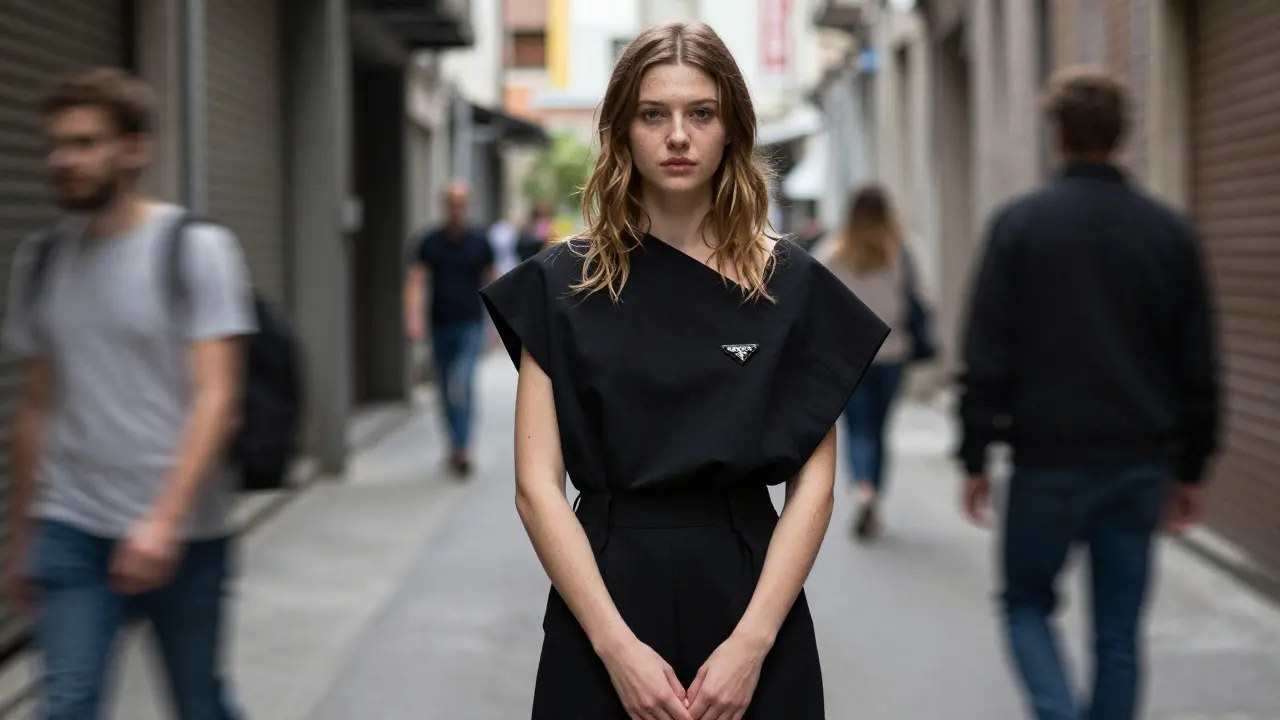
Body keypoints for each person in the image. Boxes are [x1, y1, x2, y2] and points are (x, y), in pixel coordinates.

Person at [480, 21, 888, 720]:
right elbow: (536, 487)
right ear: (621, 131)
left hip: (751, 594)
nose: (677, 135)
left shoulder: (790, 285)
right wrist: (616, 649)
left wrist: (752, 645)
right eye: (652, 114)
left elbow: (814, 488)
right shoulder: (558, 286)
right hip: (603, 596)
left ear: (731, 127)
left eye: (700, 113)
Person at [957, 67, 1219, 720]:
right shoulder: (1167, 233)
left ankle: (1055, 712)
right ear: (1121, 135)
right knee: (1118, 632)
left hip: (1046, 460)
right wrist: (1191, 466)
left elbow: (986, 353)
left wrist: (974, 454)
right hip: (1138, 462)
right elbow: (1197, 361)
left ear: (1059, 135)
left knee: (1024, 603)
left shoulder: (1019, 226)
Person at [2, 68, 253, 718]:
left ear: (133, 148)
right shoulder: (40, 260)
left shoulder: (194, 249)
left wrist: (162, 520)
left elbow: (216, 398)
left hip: (185, 533)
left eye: (85, 143)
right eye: (57, 144)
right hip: (71, 525)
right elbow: (35, 407)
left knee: (199, 703)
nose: (65, 160)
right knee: (66, 704)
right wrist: (23, 533)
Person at [815, 184, 923, 541]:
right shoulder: (901, 251)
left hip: (849, 356)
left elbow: (813, 301)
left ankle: (862, 488)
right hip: (893, 353)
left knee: (858, 429)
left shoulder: (833, 252)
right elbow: (920, 300)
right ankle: (875, 495)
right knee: (879, 429)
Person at [403, 180, 496, 476]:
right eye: (451, 203)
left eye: (461, 203)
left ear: (467, 205)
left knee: (465, 383)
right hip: (439, 325)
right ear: (444, 206)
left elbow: (492, 281)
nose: (457, 208)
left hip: (470, 324)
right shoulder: (429, 242)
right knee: (443, 389)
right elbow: (416, 281)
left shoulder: (480, 241)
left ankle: (463, 448)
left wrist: (499, 323)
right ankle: (453, 442)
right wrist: (413, 319)